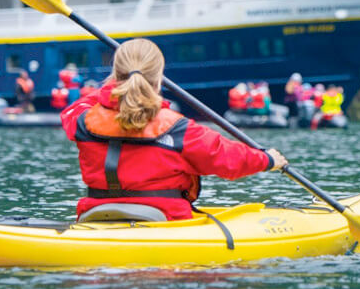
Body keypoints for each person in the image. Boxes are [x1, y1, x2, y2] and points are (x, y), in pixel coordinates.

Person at [60, 39, 287, 221]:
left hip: (97, 214)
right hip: (166, 218)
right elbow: (228, 158)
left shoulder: (84, 119)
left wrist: (114, 86)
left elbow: (75, 108)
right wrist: (267, 159)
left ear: (116, 74)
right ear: (158, 78)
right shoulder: (178, 128)